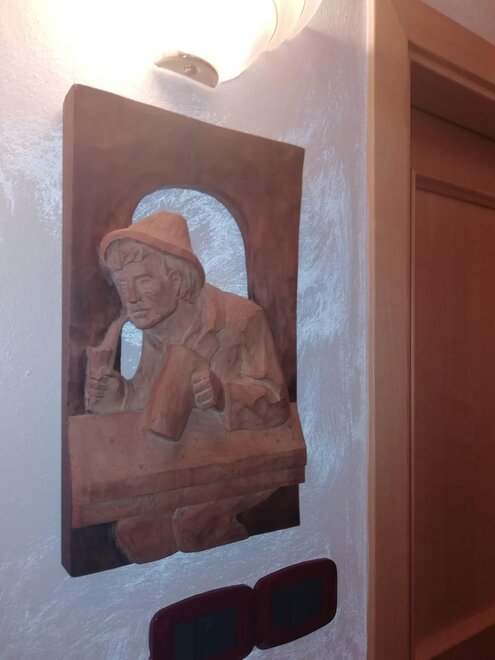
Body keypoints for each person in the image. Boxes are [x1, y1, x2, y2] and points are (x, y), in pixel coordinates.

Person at [85, 211, 289, 440]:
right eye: (122, 284)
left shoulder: (242, 319)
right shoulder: (151, 328)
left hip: (236, 457)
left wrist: (224, 395)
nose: (131, 297)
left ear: (177, 280)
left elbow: (277, 403)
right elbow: (151, 406)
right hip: (177, 458)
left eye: (144, 281)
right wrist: (119, 399)